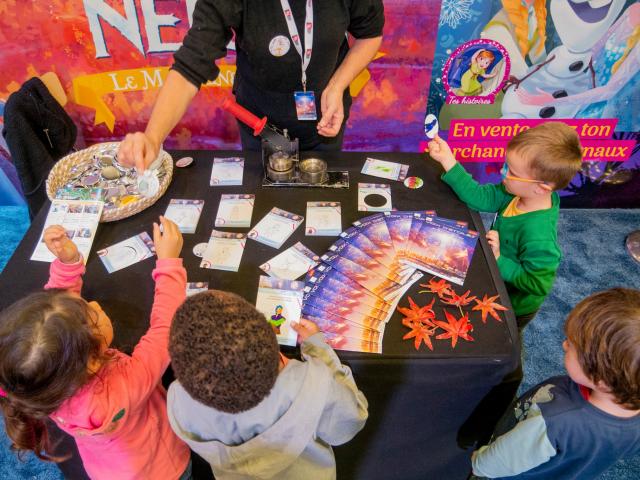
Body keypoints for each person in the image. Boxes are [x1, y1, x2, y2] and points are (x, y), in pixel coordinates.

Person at [0, 218, 191, 480]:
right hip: (164, 467)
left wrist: (68, 264)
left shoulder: (44, 386)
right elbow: (165, 328)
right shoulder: (128, 382)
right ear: (91, 359)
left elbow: (57, 319)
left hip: (107, 471)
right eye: (93, 315)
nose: (96, 305)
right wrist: (168, 263)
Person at [118, 0, 385, 171]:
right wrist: (153, 138)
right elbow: (190, 65)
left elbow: (370, 35)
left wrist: (337, 86)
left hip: (326, 116)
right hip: (258, 122)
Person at [166, 290, 369, 479]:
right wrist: (319, 351)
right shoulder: (313, 383)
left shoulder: (178, 398)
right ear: (278, 353)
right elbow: (350, 423)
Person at [471, 288, 640, 479]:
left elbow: (489, 465)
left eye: (572, 344)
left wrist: (477, 459)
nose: (564, 344)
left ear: (602, 379)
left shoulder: (555, 422)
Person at [427, 122, 582, 331]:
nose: (502, 171)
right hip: (496, 273)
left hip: (514, 304)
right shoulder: (516, 191)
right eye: (506, 164)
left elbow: (538, 284)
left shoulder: (539, 236)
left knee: (502, 337)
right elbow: (480, 197)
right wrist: (448, 160)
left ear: (541, 188)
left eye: (511, 171)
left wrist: (499, 259)